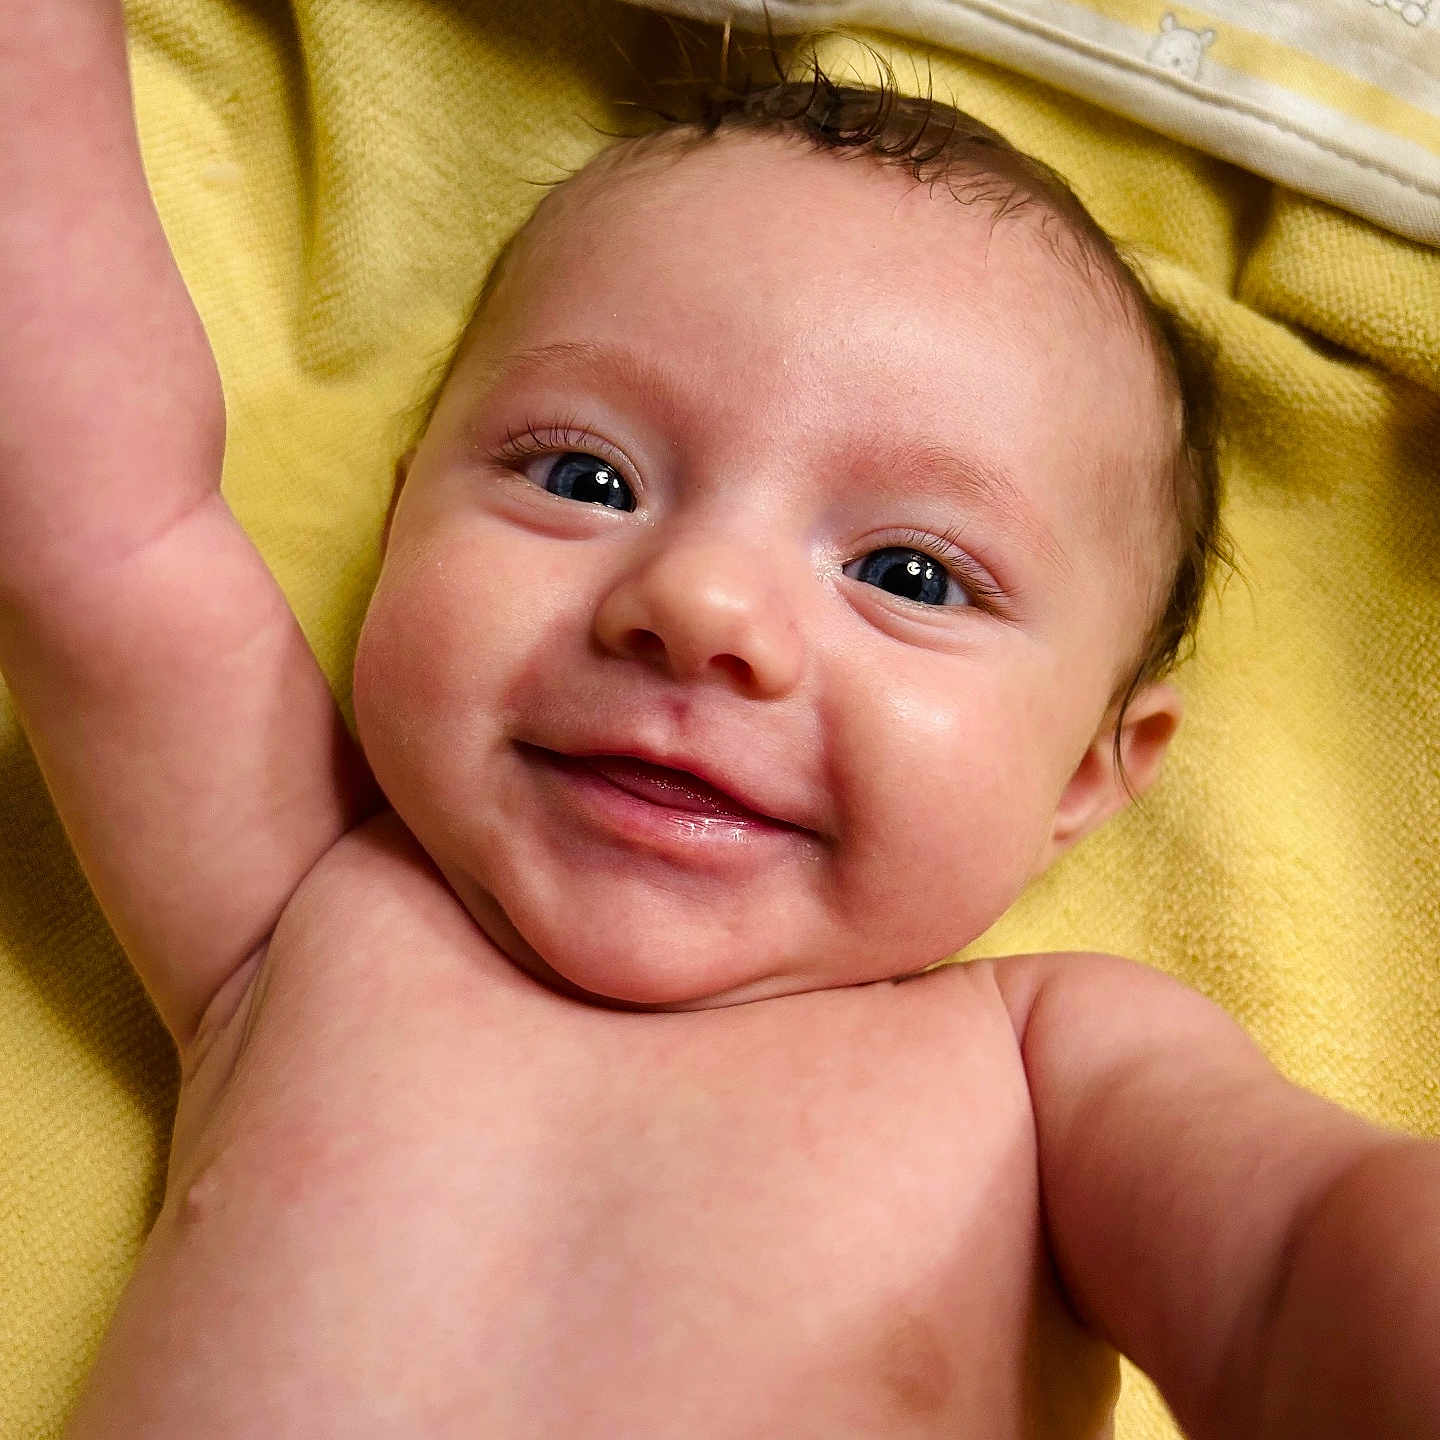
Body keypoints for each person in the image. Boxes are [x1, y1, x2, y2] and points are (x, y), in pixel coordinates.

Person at [1, 5, 1436, 1437]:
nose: (699, 603)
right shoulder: (300, 899)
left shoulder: (1056, 1067)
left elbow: (1291, 1266)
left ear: (1085, 771)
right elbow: (94, 526)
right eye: (583, 478)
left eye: (907, 574)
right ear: (398, 526)